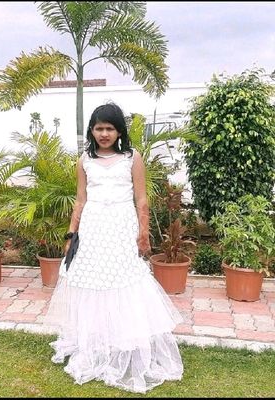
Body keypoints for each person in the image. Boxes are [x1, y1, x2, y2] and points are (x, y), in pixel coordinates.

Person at [43, 102, 183, 394]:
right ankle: (96, 343)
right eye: (99, 128)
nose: (104, 134)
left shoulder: (132, 157)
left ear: (119, 131)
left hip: (121, 225)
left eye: (109, 128)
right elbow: (80, 200)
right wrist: (71, 235)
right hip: (93, 227)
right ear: (91, 130)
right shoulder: (84, 160)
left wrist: (143, 233)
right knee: (91, 282)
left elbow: (142, 199)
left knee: (125, 280)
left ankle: (127, 342)